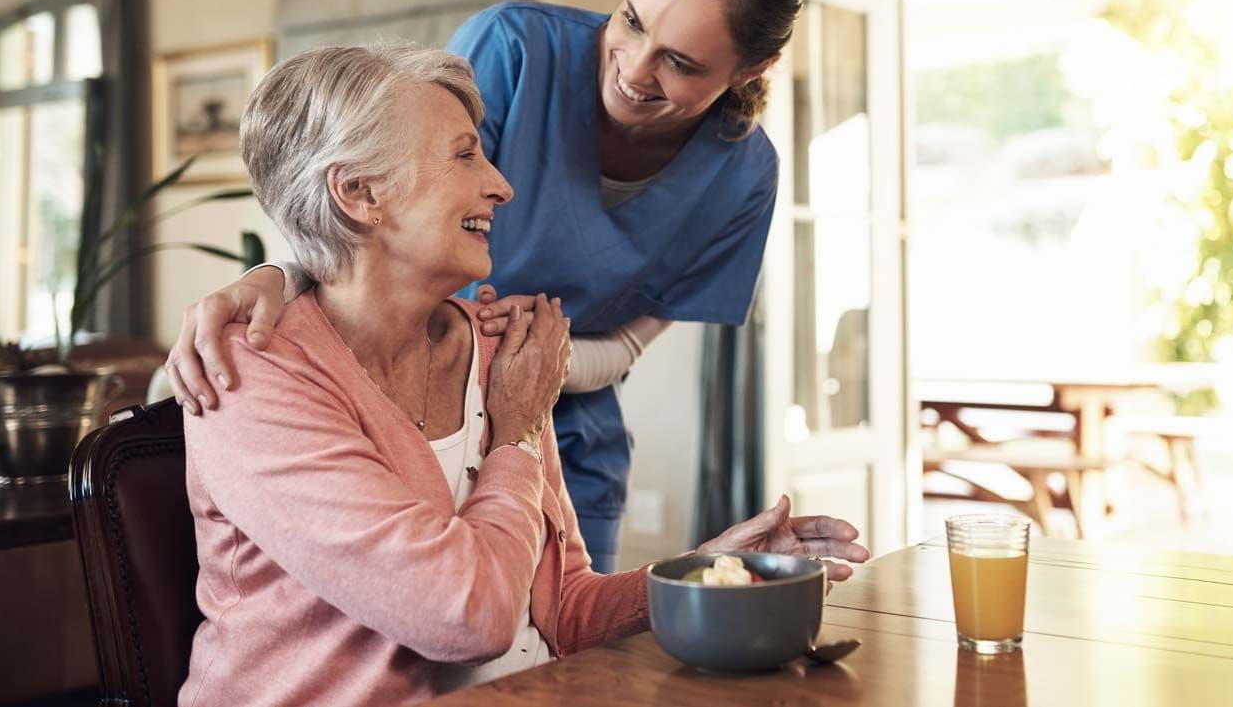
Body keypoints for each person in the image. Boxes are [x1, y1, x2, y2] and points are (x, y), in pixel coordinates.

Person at [179, 42, 869, 706]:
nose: (501, 185)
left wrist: (707, 573)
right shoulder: (251, 379)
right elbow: (469, 616)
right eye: (465, 153)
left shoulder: (495, 347)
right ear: (360, 193)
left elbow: (563, 607)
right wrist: (513, 432)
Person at [167, 0, 802, 573]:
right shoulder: (515, 49)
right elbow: (378, 202)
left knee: (573, 651)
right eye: (631, 21)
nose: (635, 70)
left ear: (752, 67)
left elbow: (626, 346)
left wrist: (537, 372)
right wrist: (277, 276)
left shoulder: (744, 174)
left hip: (570, 431)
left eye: (679, 61)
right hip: (417, 396)